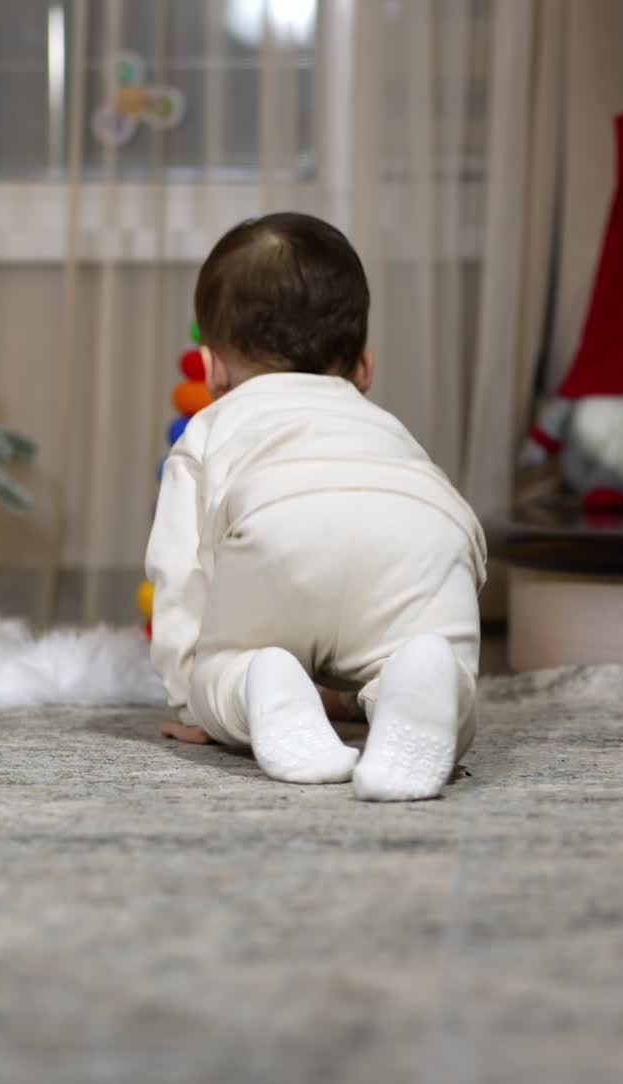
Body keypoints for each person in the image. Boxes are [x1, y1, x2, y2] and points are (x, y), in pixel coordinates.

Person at [145, 212, 486, 802]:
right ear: (364, 368)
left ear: (212, 368)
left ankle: (260, 683)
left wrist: (191, 692)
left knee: (224, 669)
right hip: (424, 536)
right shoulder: (383, 425)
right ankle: (423, 678)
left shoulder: (210, 428)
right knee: (430, 659)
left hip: (279, 531)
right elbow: (443, 516)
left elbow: (180, 576)